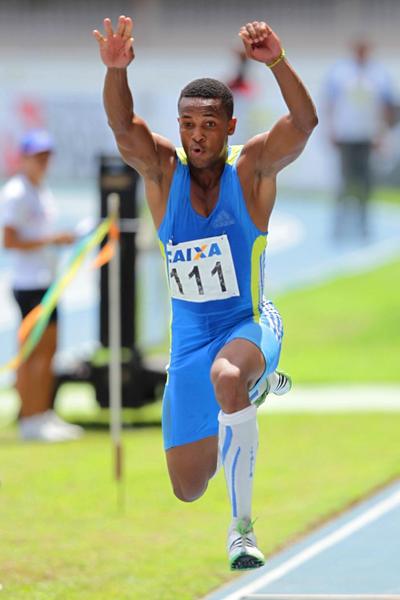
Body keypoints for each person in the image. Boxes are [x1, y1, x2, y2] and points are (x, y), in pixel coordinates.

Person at [93, 16, 317, 569]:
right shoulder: (163, 174)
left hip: (248, 323)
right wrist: (117, 71)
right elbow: (124, 129)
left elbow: (304, 122)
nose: (197, 135)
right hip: (189, 343)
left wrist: (277, 62)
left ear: (229, 125)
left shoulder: (252, 171)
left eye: (209, 124)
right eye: (188, 123)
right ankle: (250, 391)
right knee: (188, 486)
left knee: (228, 377)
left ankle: (241, 531)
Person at [1, 129, 84, 442]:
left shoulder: (39, 190)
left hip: (45, 281)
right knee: (33, 353)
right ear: (23, 159)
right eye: (38, 156)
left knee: (48, 351)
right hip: (29, 283)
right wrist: (53, 239)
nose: (43, 162)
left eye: (46, 156)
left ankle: (42, 413)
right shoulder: (17, 192)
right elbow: (8, 240)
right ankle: (31, 419)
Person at [325, 39, 395, 240]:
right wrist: (331, 129)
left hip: (368, 136)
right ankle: (339, 225)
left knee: (366, 182)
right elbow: (331, 103)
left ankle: (364, 225)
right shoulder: (340, 72)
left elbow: (386, 106)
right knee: (344, 181)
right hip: (346, 135)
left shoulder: (379, 74)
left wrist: (383, 133)